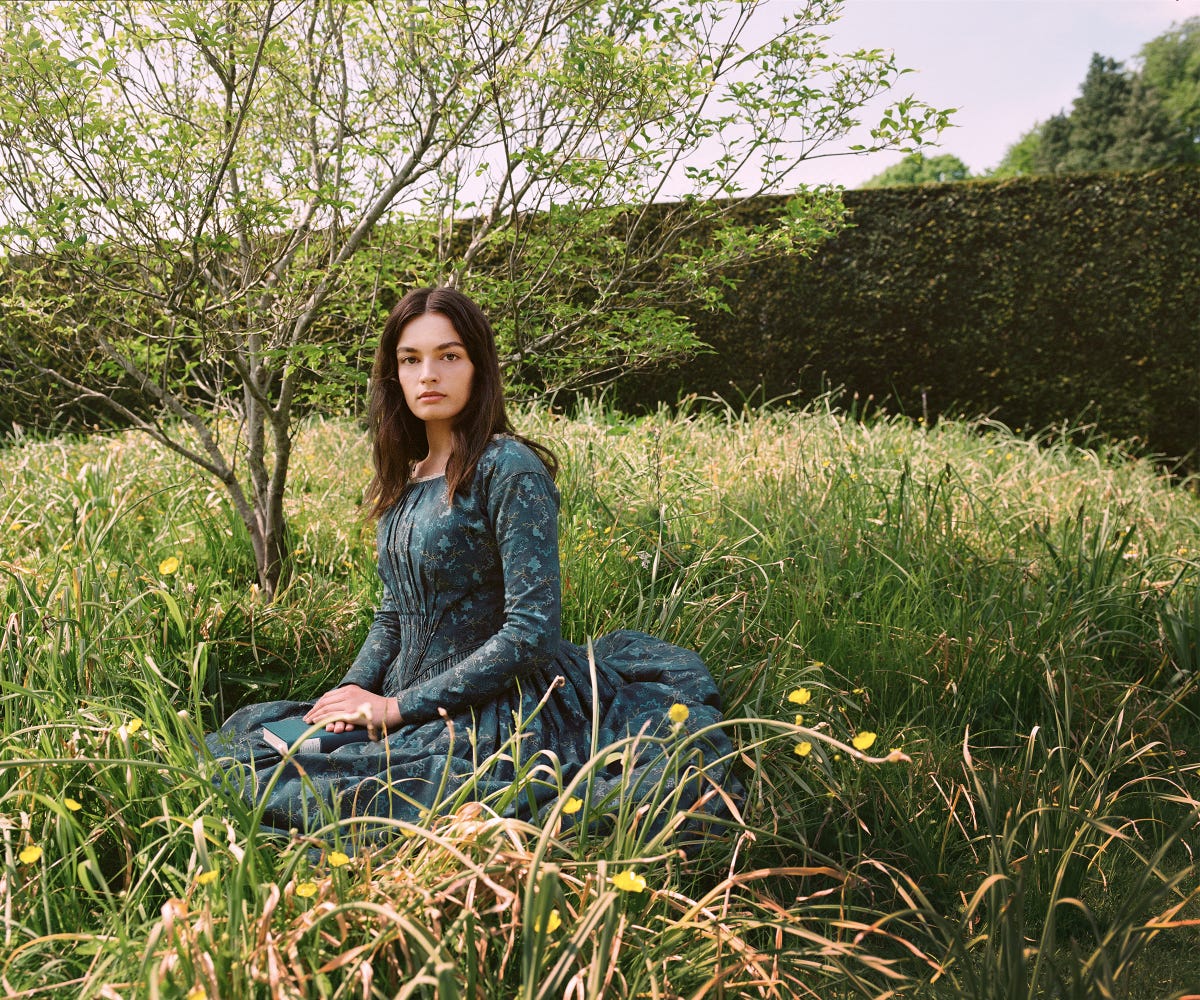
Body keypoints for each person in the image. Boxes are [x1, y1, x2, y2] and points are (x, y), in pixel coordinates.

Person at [205, 287, 734, 841]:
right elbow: (394, 614)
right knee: (253, 755)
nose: (427, 373)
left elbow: (531, 633)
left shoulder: (507, 468)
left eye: (448, 355)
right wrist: (348, 698)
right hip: (407, 693)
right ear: (395, 375)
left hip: (502, 704)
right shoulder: (408, 476)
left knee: (359, 804)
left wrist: (397, 707)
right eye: (411, 359)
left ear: (478, 366)